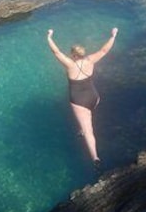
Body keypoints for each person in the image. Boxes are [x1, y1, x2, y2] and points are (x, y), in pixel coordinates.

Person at [46, 27, 118, 165]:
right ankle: (82, 128)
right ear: (83, 53)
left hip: (79, 102)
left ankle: (95, 157)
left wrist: (49, 37)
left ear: (73, 55)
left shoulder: (70, 65)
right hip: (94, 98)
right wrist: (113, 36)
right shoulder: (90, 60)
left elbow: (56, 52)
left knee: (88, 131)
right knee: (86, 118)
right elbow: (104, 50)